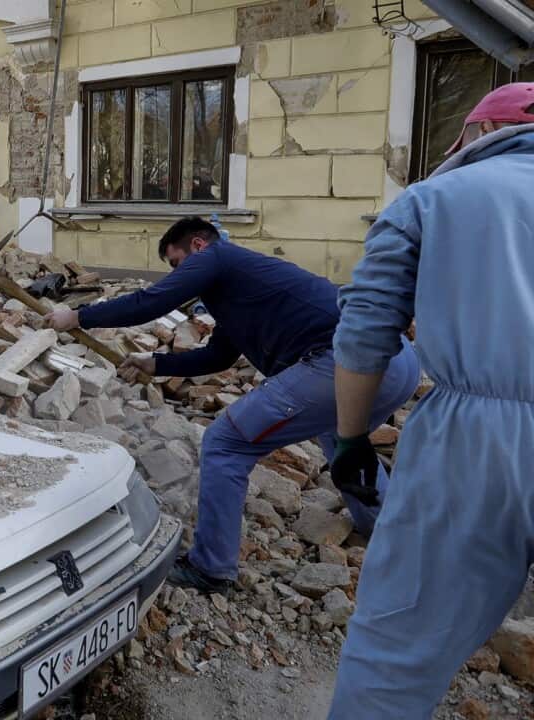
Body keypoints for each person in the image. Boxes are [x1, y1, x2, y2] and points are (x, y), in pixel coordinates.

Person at [45, 217, 420, 595]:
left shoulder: (216, 257)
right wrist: (157, 364)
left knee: (225, 443)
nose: (179, 275)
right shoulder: (235, 287)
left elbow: (154, 300)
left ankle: (210, 568)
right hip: (395, 361)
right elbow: (219, 357)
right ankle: (384, 529)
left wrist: (78, 315)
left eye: (177, 264)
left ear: (197, 245)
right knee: (342, 438)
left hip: (343, 359)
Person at [326, 83, 534, 719]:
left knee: (397, 647)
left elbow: (365, 335)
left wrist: (353, 439)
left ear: (475, 135)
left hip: (477, 439)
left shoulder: (435, 198)